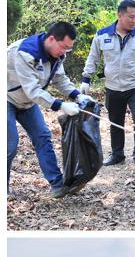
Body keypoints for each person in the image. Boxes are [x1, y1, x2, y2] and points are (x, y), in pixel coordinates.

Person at [7, 21, 94, 198]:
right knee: (9, 144)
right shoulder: (24, 52)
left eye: (69, 49)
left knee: (43, 137)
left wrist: (77, 95)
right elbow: (32, 90)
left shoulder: (58, 55)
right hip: (6, 98)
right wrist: (60, 105)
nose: (65, 52)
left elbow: (60, 80)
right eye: (64, 47)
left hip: (26, 103)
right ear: (52, 39)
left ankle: (57, 184)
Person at [81, 0, 135, 168]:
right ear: (120, 15)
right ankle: (117, 154)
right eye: (131, 17)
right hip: (113, 87)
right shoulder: (102, 35)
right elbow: (93, 58)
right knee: (115, 121)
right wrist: (86, 79)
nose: (134, 20)